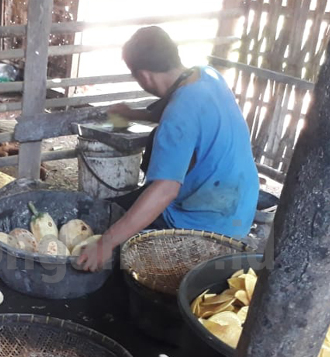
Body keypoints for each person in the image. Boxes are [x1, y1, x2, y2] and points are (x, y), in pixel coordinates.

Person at [78, 26, 259, 272]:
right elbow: (183, 111)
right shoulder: (206, 76)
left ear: (144, 76)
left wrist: (106, 243)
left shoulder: (177, 117)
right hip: (240, 207)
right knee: (114, 210)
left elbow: (165, 190)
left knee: (111, 240)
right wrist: (134, 114)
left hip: (207, 225)